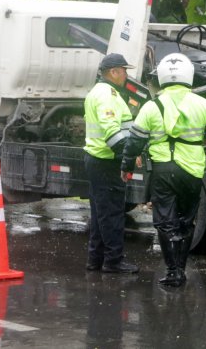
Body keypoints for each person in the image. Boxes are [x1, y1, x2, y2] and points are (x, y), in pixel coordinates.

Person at [120, 53, 206, 287]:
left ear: (162, 77)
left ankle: (173, 271)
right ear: (188, 76)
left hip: (163, 171)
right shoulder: (203, 104)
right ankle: (181, 268)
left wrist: (126, 166)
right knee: (186, 220)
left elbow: (134, 141)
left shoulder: (151, 106)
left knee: (165, 221)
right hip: (192, 171)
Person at [83, 53, 140, 274]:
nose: (127, 74)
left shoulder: (100, 92)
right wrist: (127, 158)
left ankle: (95, 259)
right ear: (113, 72)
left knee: (100, 214)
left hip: (97, 159)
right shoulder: (107, 95)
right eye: (124, 70)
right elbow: (112, 132)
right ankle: (113, 261)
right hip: (106, 161)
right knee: (112, 214)